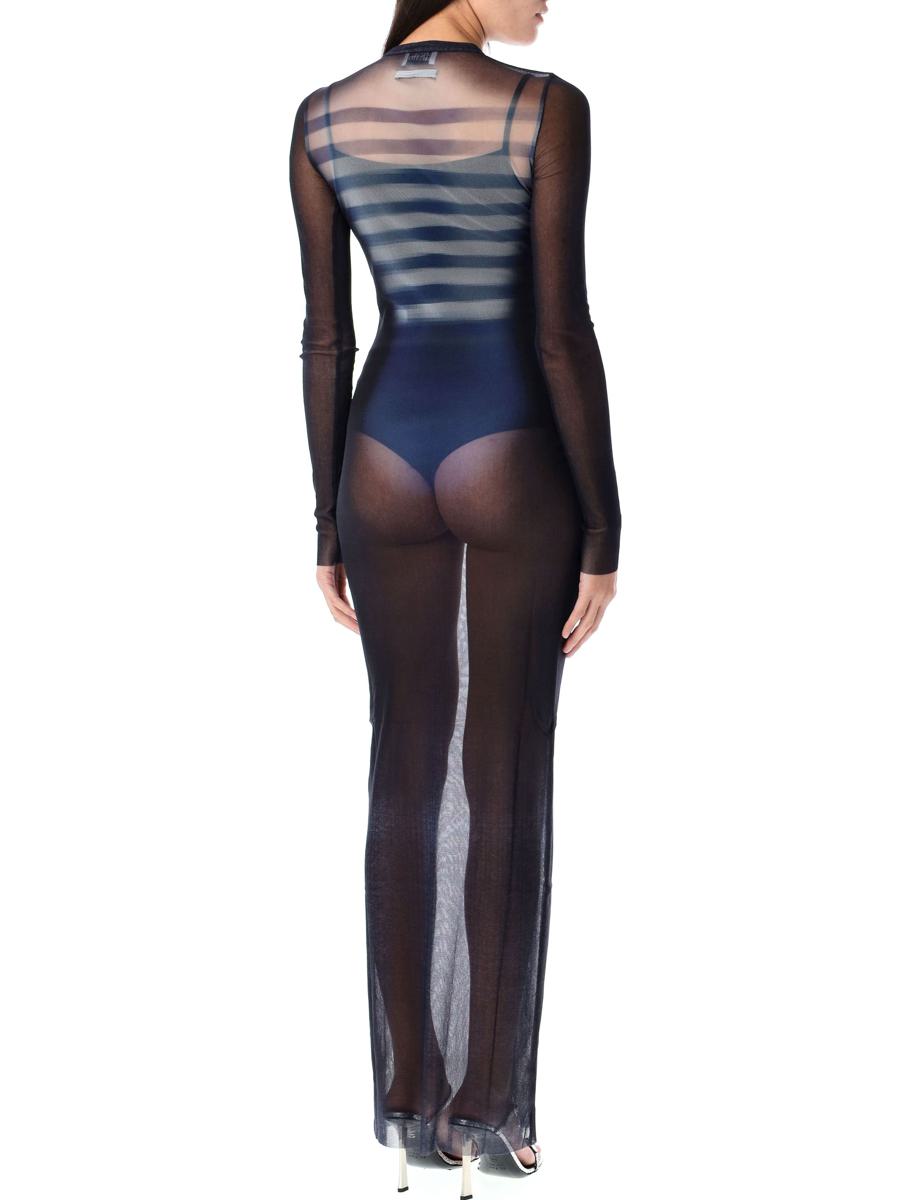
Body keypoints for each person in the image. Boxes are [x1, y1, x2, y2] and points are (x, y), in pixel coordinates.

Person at [289, 0, 621, 1190]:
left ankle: (406, 1100)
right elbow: (558, 334)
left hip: (380, 452)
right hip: (508, 449)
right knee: (502, 774)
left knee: (402, 770)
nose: (548, 0)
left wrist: (327, 521)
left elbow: (326, 337)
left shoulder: (322, 116)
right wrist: (604, 527)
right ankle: (490, 1106)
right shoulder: (543, 108)